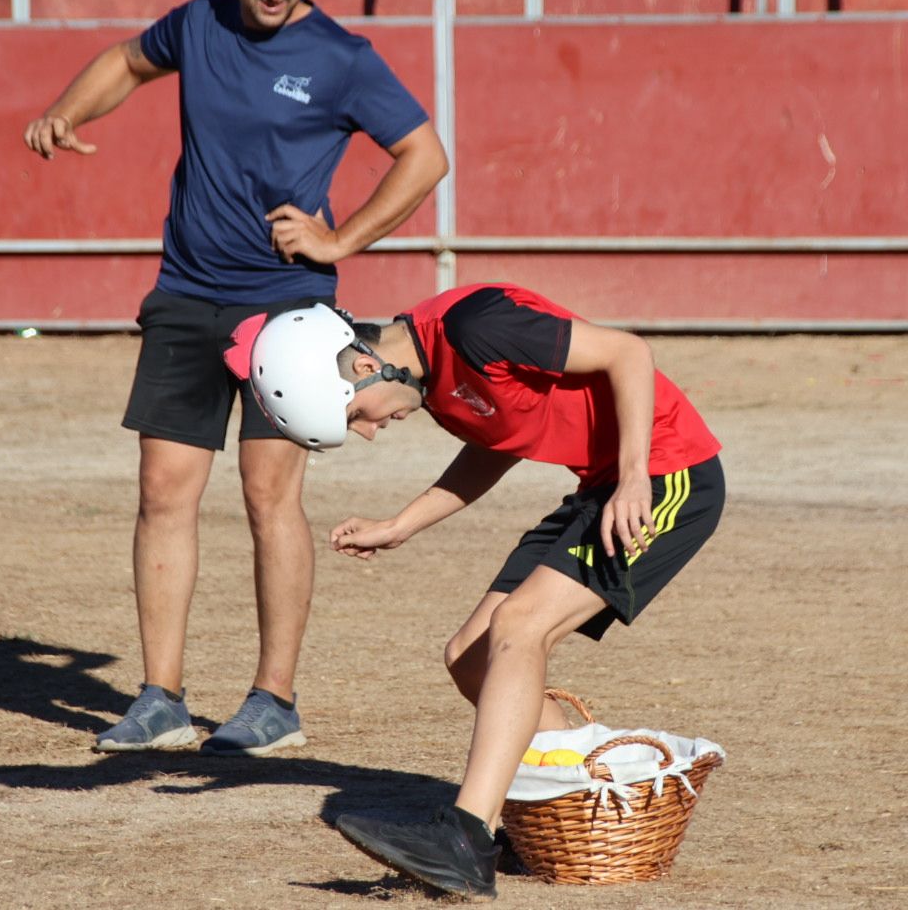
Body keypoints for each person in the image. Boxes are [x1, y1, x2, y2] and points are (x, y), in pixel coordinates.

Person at [21, 0, 448, 757]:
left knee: (268, 497)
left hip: (289, 309)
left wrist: (341, 237)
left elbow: (426, 156)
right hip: (186, 291)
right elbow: (126, 63)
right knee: (163, 492)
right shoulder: (199, 24)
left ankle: (273, 700)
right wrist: (69, 110)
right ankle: (160, 699)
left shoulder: (341, 56)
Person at [229, 284, 725, 899]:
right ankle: (571, 813)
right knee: (472, 656)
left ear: (365, 365)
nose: (371, 432)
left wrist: (630, 481)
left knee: (519, 626)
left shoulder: (477, 326)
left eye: (355, 415)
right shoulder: (433, 379)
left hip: (666, 475)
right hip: (602, 485)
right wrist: (401, 524)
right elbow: (499, 443)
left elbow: (628, 353)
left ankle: (467, 836)